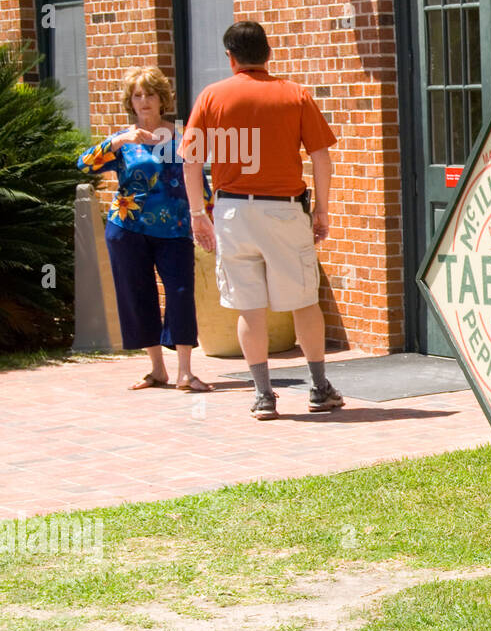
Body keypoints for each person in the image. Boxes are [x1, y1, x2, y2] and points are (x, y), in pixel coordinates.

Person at [181, 21, 343, 420]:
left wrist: (197, 213)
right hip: (284, 209)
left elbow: (190, 159)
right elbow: (321, 156)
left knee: (248, 307)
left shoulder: (212, 96)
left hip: (233, 211)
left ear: (230, 57)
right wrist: (321, 209)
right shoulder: (294, 95)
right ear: (268, 54)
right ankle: (319, 389)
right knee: (304, 301)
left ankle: (263, 395)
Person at [78, 67, 212, 392]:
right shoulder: (124, 142)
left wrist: (207, 219)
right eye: (137, 95)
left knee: (180, 293)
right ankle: (156, 369)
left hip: (177, 229)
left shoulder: (181, 137)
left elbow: (201, 185)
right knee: (138, 294)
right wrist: (117, 140)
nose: (144, 101)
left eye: (150, 94)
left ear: (161, 99)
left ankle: (185, 372)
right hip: (127, 229)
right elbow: (84, 164)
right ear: (131, 102)